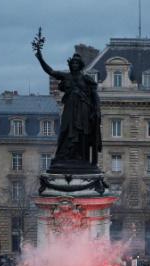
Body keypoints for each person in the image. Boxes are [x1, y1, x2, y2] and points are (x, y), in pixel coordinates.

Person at [33, 28, 101, 167]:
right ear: (70, 65)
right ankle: (63, 155)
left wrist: (97, 110)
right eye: (72, 63)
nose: (74, 65)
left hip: (83, 110)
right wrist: (40, 58)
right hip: (70, 108)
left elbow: (95, 96)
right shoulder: (66, 76)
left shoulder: (86, 79)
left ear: (80, 65)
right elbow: (50, 71)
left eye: (77, 63)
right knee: (65, 130)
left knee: (82, 133)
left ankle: (81, 158)